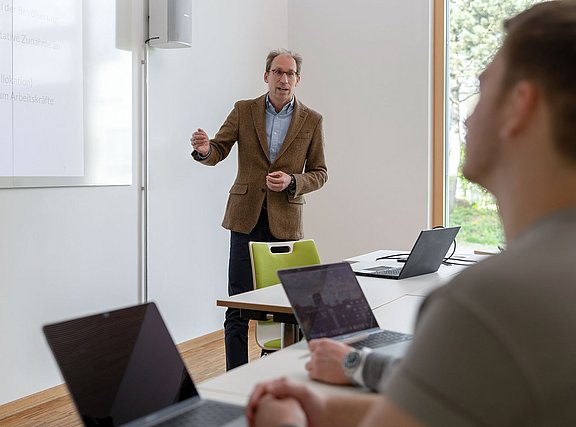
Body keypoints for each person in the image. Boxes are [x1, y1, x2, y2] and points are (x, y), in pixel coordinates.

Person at [246, 2, 576, 425]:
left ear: (520, 107)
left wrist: (282, 419)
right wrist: (334, 399)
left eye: (482, 89)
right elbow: (463, 402)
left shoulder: (487, 302)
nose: (469, 118)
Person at [190, 49, 328, 371]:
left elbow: (320, 172)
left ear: (298, 79)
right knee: (237, 305)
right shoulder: (244, 110)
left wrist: (293, 181)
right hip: (245, 218)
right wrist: (205, 149)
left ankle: (279, 371)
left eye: (290, 73)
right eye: (277, 72)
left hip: (286, 224)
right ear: (266, 76)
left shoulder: (312, 119)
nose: (283, 79)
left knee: (287, 308)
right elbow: (219, 149)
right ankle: (234, 377)